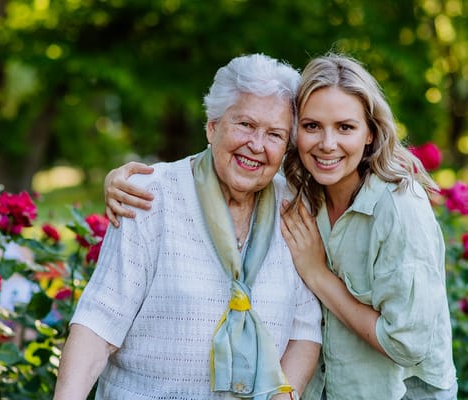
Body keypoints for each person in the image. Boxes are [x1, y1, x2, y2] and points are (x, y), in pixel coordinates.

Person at [104, 53, 458, 400]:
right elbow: (234, 146)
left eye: (345, 127)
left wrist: (318, 275)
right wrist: (127, 179)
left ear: (369, 132)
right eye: (311, 126)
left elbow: (406, 343)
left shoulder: (398, 208)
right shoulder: (301, 190)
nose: (327, 143)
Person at [53, 54, 322, 400]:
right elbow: (99, 323)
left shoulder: (293, 207)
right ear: (212, 126)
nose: (257, 145)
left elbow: (304, 327)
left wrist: (285, 395)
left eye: (274, 134)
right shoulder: (152, 197)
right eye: (245, 125)